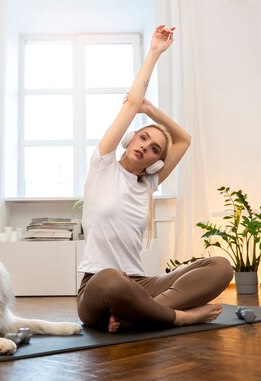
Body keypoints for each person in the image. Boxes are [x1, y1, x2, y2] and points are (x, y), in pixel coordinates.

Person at [77, 25, 233, 333]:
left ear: (155, 161)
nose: (145, 147)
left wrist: (154, 111)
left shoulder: (148, 183)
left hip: (142, 285)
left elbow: (184, 140)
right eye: (143, 138)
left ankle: (140, 313)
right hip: (98, 287)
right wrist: (155, 52)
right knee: (111, 278)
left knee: (220, 267)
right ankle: (180, 317)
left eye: (154, 149)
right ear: (130, 138)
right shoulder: (103, 164)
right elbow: (131, 103)